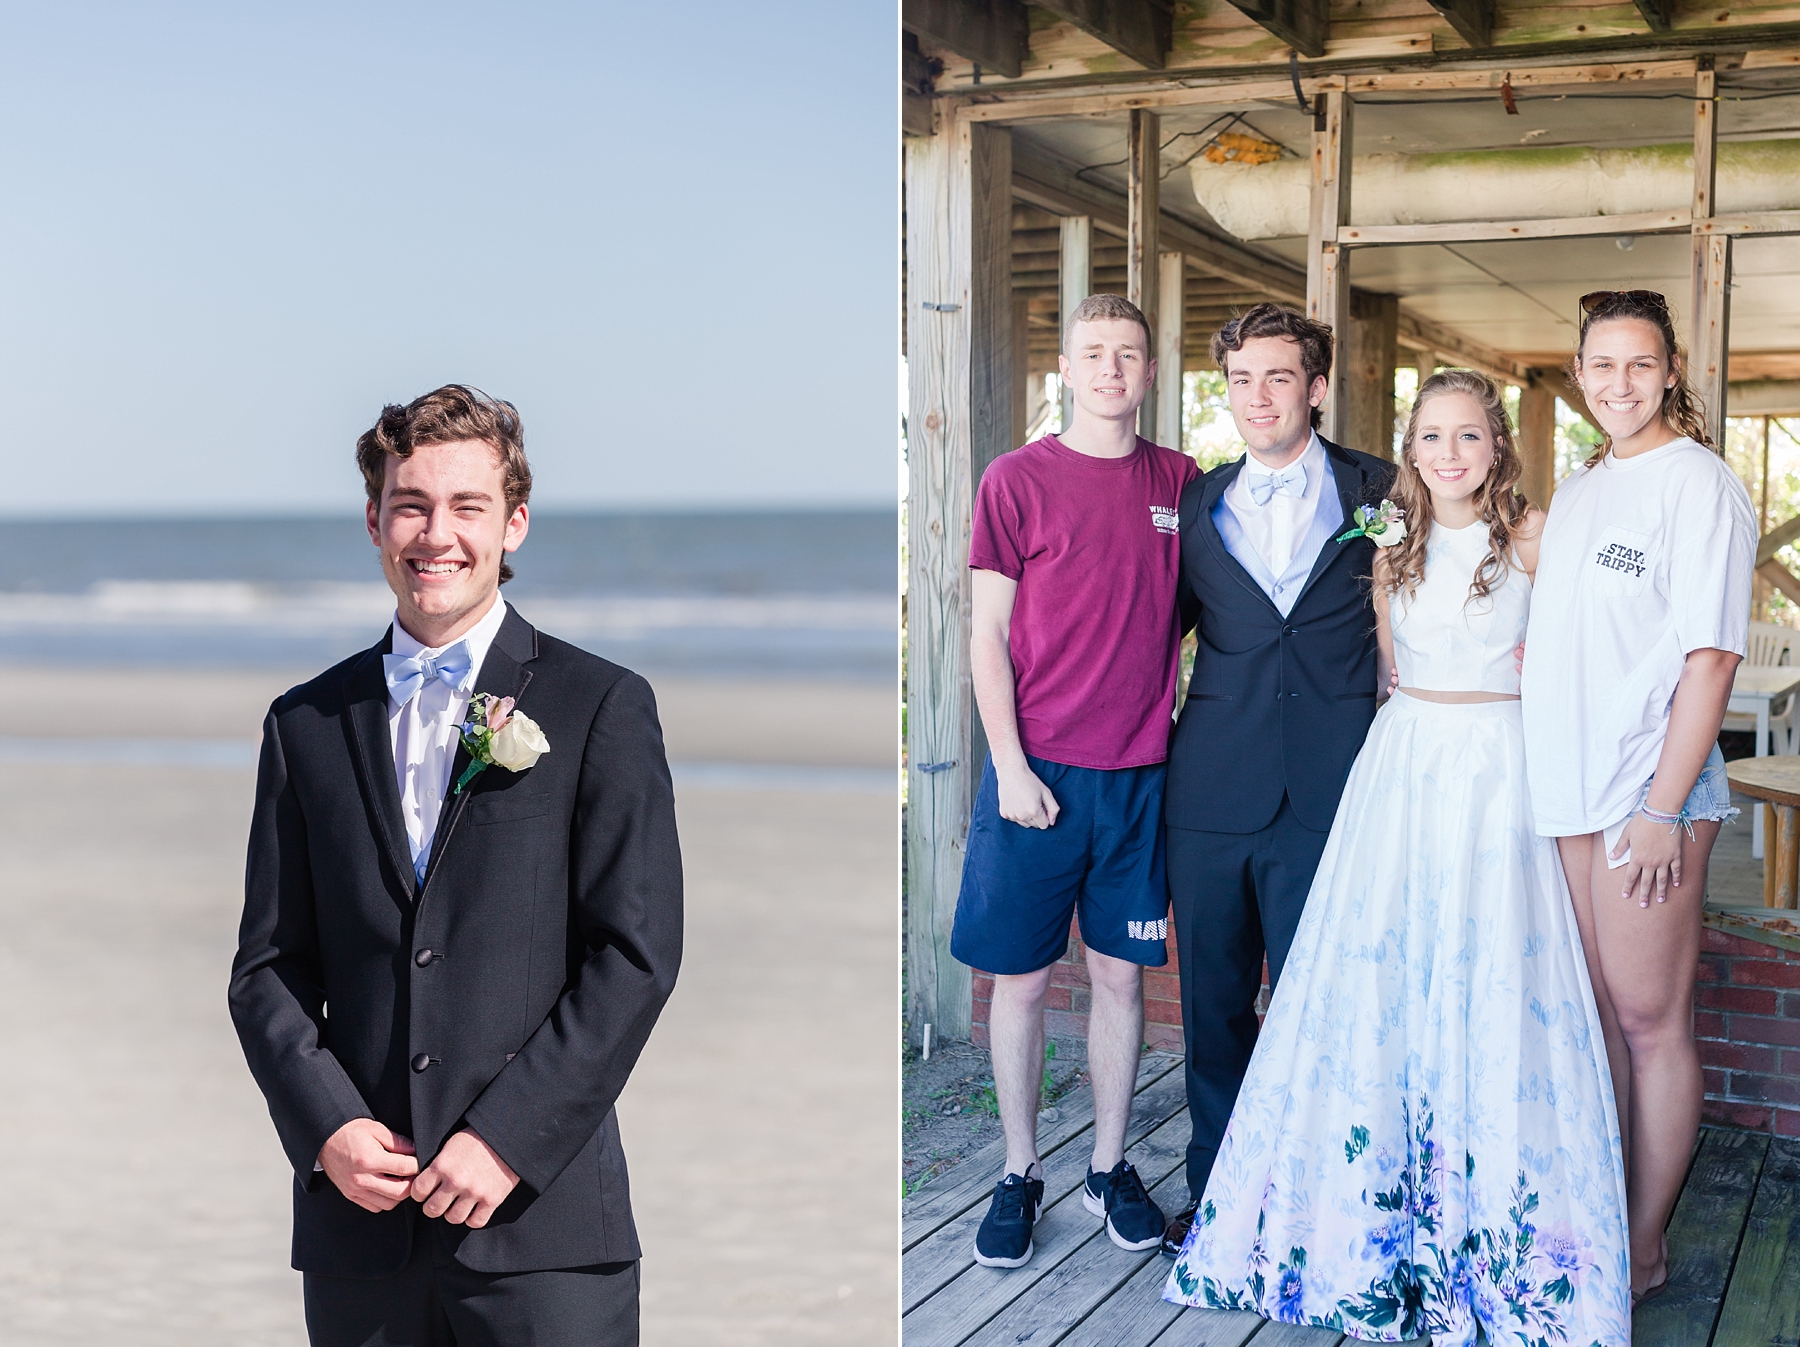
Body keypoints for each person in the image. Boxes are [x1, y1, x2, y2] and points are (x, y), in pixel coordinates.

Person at [1165, 369, 1632, 1345]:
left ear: (1497, 446)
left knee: (1496, 987)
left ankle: (1501, 1238)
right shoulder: (1389, 544)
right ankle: (1370, 1219)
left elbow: (1598, 644)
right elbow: (1386, 670)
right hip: (1405, 771)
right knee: (1386, 987)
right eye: (1431, 437)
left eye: (1468, 437)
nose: (1449, 454)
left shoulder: (1537, 537)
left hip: (1501, 775)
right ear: (1410, 449)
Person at [229, 385, 682, 1346]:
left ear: (513, 521)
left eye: (467, 506)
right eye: (411, 504)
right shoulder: (305, 723)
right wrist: (328, 1131)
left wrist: (508, 1139)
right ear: (374, 519)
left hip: (544, 1233)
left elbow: (635, 954)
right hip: (363, 1234)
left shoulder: (601, 703)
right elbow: (267, 967)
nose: (437, 534)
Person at [952, 293, 1196, 1268]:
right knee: (1019, 984)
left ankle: (1105, 1164)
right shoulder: (1015, 481)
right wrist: (1008, 765)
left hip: (1138, 779)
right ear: (1067, 367)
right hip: (1036, 778)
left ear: (1149, 371)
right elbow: (985, 633)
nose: (1110, 370)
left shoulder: (1181, 482)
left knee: (1121, 981)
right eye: (1093, 353)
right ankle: (1019, 1171)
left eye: (1128, 354)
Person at [1522, 290, 1756, 1303]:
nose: (1619, 383)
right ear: (1580, 373)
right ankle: (1604, 1204)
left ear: (1671, 371)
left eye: (1639, 364)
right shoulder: (1579, 490)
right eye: (1601, 365)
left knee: (1653, 1022)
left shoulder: (1697, 485)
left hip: (1646, 790)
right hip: (1571, 787)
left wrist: (1663, 809)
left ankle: (1645, 1242)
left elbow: (1709, 662)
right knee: (1600, 1017)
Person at [1158, 304, 1396, 1257]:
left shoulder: (1384, 487)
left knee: (1322, 1002)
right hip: (1211, 793)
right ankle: (1216, 1193)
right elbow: (1148, 638)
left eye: (1278, 377)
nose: (1258, 397)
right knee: (1213, 1007)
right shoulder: (1197, 506)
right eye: (1241, 380)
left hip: (1336, 792)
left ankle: (1318, 1196)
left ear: (1317, 388)